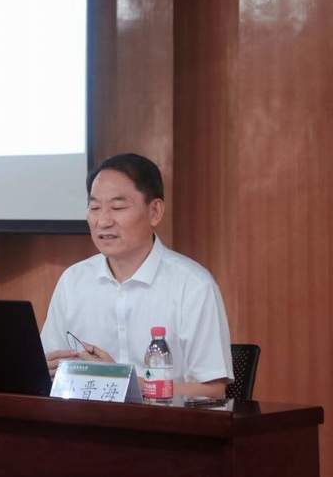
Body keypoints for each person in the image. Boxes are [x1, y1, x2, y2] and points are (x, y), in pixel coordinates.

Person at [41, 153, 234, 398]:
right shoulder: (73, 281)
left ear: (155, 211)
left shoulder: (193, 285)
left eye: (118, 207)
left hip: (164, 420)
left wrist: (124, 381)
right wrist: (47, 369)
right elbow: (47, 366)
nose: (103, 221)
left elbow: (213, 390)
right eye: (95, 207)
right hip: (84, 419)